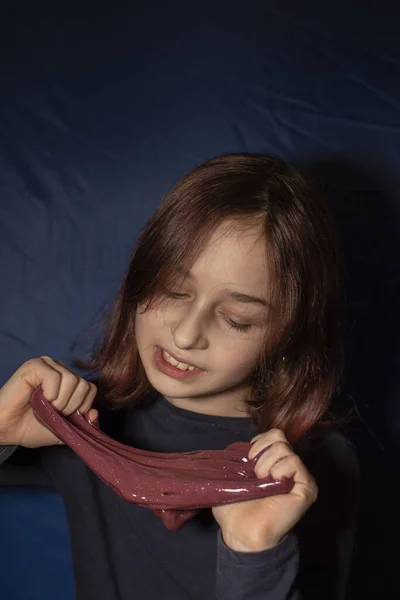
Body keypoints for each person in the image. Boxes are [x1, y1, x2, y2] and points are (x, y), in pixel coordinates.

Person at [0, 154, 359, 600]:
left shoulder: (317, 465)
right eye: (173, 291)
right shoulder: (87, 421)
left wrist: (253, 553)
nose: (186, 335)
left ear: (289, 336)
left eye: (236, 319)